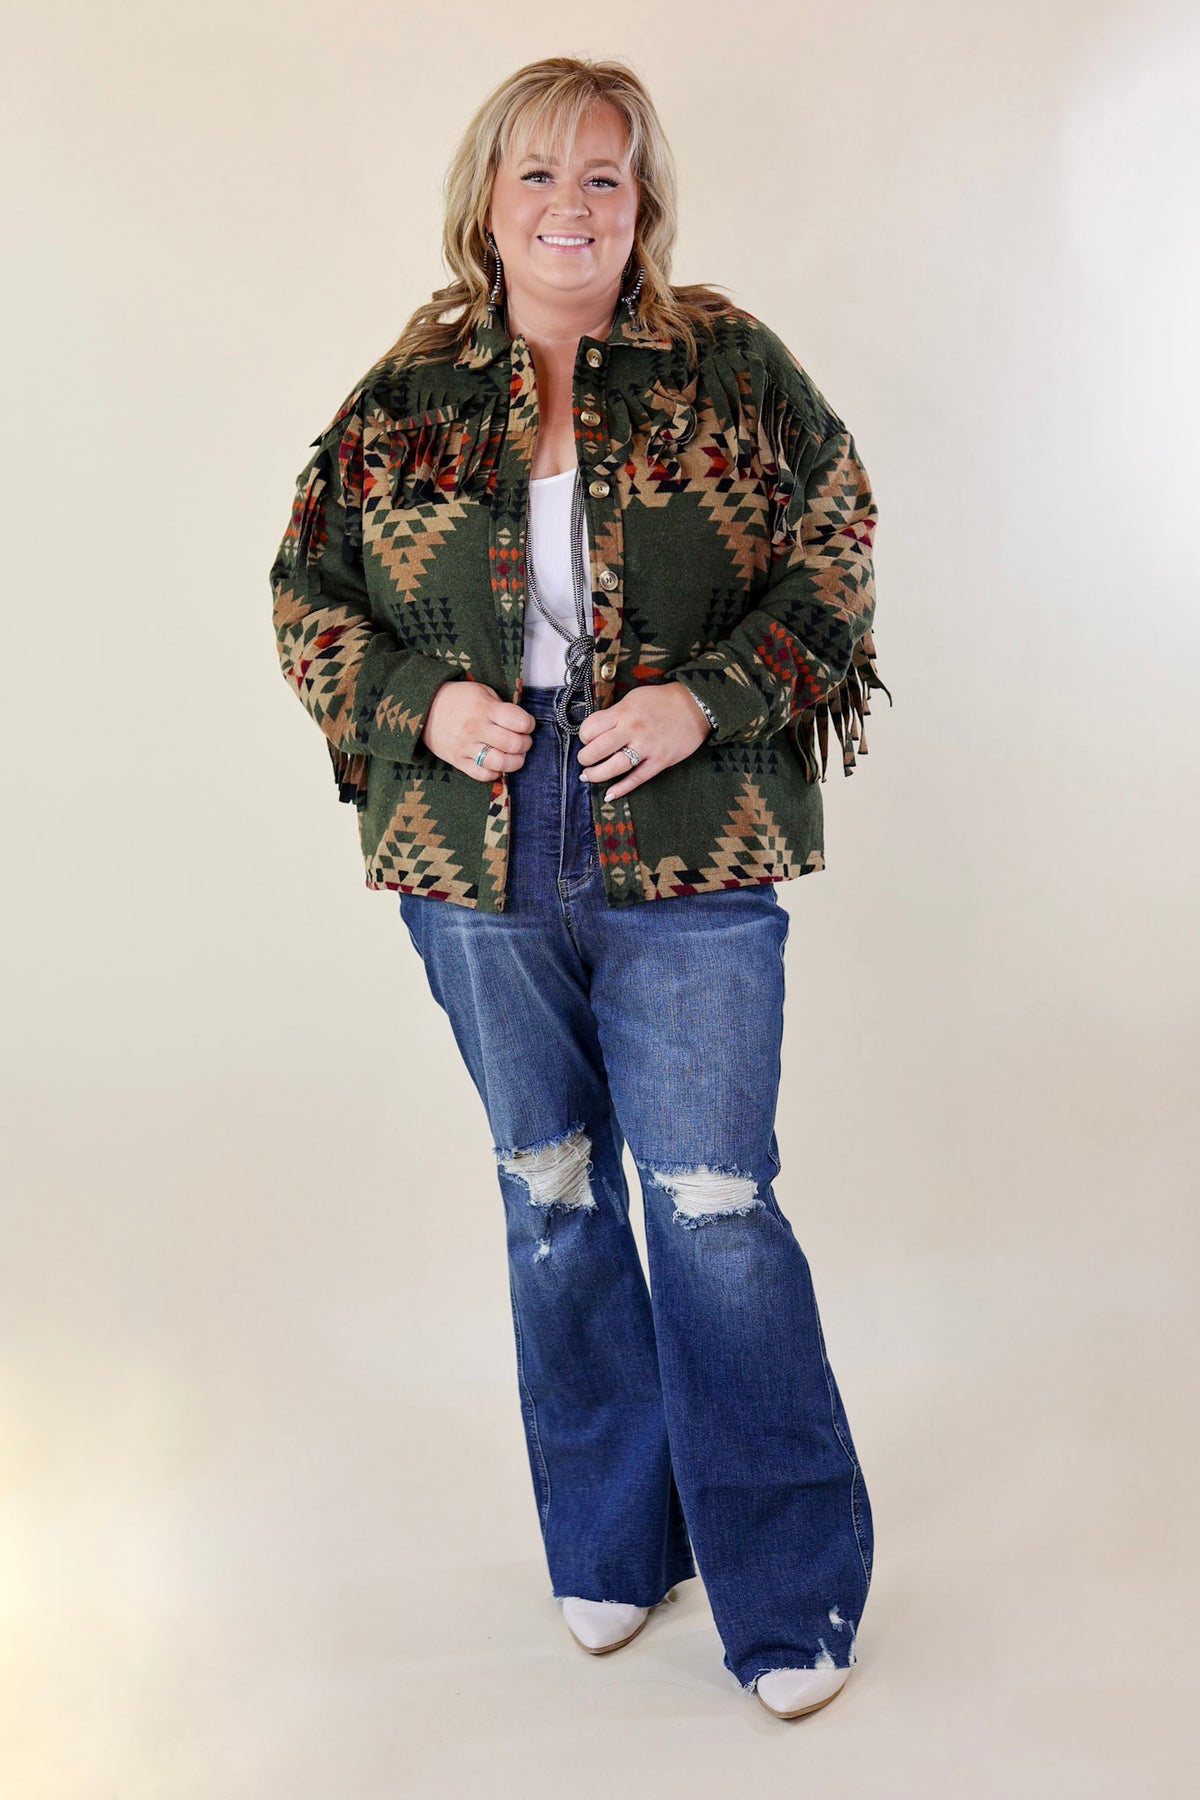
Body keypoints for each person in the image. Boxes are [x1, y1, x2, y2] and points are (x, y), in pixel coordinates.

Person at [270, 55, 890, 1722]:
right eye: (538, 175)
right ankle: (616, 1539)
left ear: (643, 204)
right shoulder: (411, 390)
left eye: (603, 177)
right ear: (489, 201)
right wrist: (423, 704)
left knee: (713, 1204)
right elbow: (305, 590)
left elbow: (837, 545)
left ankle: (792, 1587)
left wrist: (712, 699)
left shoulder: (727, 368)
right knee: (551, 1193)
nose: (570, 207)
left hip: (687, 826)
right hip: (473, 849)